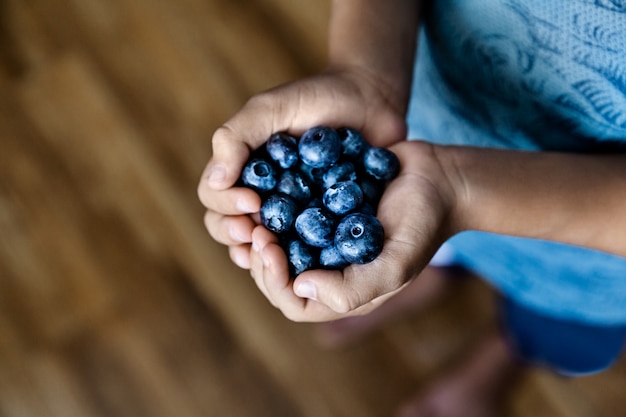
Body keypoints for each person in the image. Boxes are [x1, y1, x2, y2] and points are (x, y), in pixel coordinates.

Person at [198, 0, 626, 415]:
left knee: (560, 332)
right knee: (418, 237)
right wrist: (366, 73)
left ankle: (508, 349)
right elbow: (421, 195)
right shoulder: (403, 175)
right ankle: (439, 269)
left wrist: (458, 191)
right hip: (426, 128)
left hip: (588, 265)